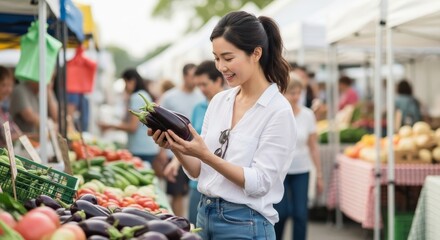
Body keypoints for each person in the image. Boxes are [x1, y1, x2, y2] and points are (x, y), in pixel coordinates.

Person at [149, 11, 296, 239]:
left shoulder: (278, 111)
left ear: (256, 53)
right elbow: (197, 170)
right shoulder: (219, 101)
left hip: (246, 224)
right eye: (216, 58)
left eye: (228, 58)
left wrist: (206, 155)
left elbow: (260, 183)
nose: (221, 67)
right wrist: (176, 145)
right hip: (204, 215)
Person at [163, 60, 225, 224]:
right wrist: (175, 163)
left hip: (221, 185)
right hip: (197, 181)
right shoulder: (198, 107)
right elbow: (191, 142)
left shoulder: (231, 107)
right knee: (193, 225)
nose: (201, 90)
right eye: (199, 85)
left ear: (218, 80)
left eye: (204, 84)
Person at [273, 75, 323, 240]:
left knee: (301, 213)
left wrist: (320, 174)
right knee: (281, 212)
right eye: (291, 93)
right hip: (280, 171)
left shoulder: (308, 115)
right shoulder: (277, 114)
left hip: (302, 169)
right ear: (282, 93)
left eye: (298, 93)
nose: (295, 97)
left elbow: (313, 146)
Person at [157, 63, 204, 217]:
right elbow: (158, 120)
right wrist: (162, 151)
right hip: (174, 152)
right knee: (177, 193)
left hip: (195, 152)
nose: (195, 80)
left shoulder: (201, 97)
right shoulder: (170, 96)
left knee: (188, 191)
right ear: (184, 76)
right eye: (192, 76)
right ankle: (178, 222)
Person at [99, 69, 159, 165]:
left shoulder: (136, 97)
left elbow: (132, 127)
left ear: (132, 81)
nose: (124, 87)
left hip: (140, 148)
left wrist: (109, 126)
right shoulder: (144, 94)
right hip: (147, 147)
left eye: (125, 82)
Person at [0, 66, 21, 147]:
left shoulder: (3, 109)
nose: (8, 90)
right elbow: (6, 137)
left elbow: (15, 131)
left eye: (10, 85)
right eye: (4, 85)